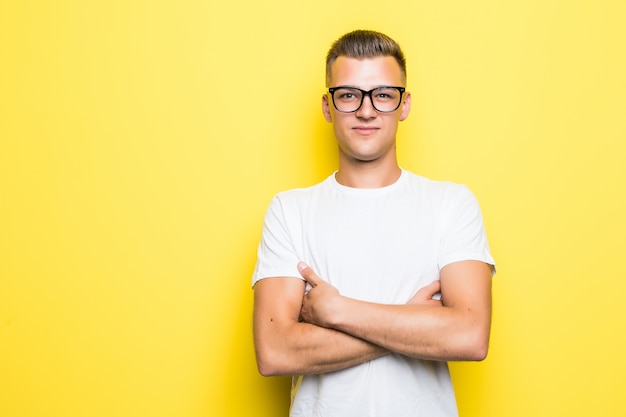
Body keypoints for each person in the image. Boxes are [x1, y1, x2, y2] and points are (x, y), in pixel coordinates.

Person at [251, 29, 495, 417]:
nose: (366, 110)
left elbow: (469, 337)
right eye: (349, 95)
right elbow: (275, 352)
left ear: (404, 104)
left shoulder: (452, 204)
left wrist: (337, 311)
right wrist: (414, 324)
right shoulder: (289, 210)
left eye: (382, 94)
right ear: (328, 107)